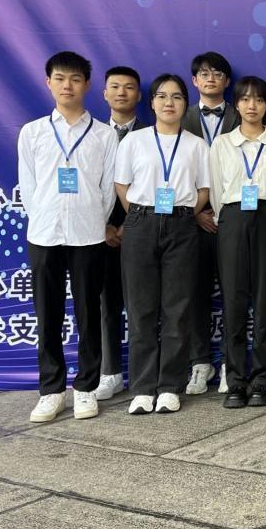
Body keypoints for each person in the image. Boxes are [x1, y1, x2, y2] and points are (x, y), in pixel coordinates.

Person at [17, 51, 117, 422]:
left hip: (88, 234)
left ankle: (86, 388)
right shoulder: (33, 132)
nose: (67, 86)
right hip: (44, 233)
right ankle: (52, 390)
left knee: (89, 313)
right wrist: (45, 216)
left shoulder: (104, 135)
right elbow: (28, 186)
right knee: (48, 314)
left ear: (86, 84)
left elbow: (108, 189)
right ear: (49, 83)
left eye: (75, 79)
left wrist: (92, 219)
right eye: (60, 78)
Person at [115, 74, 210, 414]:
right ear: (152, 102)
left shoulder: (197, 145)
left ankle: (170, 385)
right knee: (141, 309)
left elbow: (203, 190)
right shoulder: (134, 141)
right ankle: (142, 388)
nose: (169, 103)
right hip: (140, 223)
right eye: (162, 96)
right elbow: (122, 185)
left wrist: (180, 215)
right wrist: (144, 214)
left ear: (186, 103)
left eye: (177, 97)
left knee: (177, 308)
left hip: (182, 225)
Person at [210, 76, 266, 408]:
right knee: (233, 301)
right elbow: (216, 190)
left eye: (258, 99)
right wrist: (228, 221)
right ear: (236, 105)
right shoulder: (222, 144)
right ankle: (235, 380)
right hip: (232, 219)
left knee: (264, 301)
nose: (251, 105)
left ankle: (260, 380)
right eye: (245, 99)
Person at [181, 52, 241, 396]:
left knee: (234, 293)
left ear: (227, 81)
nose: (211, 79)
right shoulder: (179, 117)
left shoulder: (244, 114)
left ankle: (231, 363)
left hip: (233, 218)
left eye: (218, 73)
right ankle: (199, 363)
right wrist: (196, 212)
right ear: (195, 81)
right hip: (191, 223)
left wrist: (222, 211)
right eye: (204, 74)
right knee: (194, 294)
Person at [95, 66, 145, 402]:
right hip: (99, 232)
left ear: (139, 96)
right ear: (104, 93)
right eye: (115, 87)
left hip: (142, 229)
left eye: (129, 87)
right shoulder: (95, 135)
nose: (122, 93)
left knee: (145, 306)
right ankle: (110, 373)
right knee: (106, 303)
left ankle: (148, 374)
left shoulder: (152, 135)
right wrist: (104, 225)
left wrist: (131, 224)